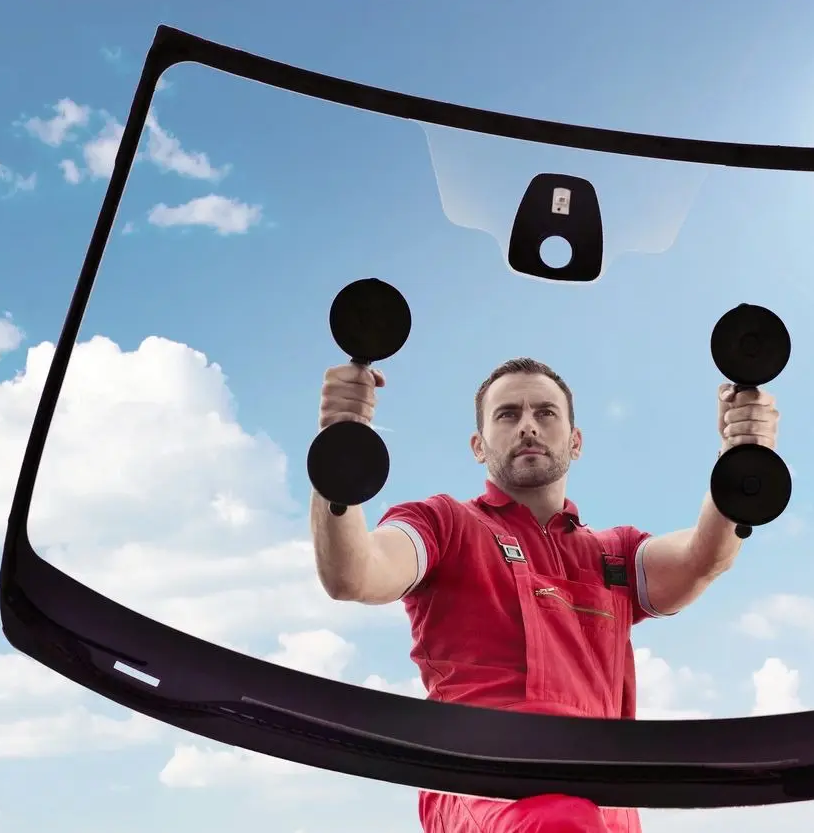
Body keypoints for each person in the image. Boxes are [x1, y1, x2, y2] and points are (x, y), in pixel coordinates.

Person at [310, 357, 780, 833]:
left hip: (609, 797)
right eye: (508, 414)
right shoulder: (443, 524)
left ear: (575, 442)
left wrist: (740, 457)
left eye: (546, 413)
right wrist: (339, 451)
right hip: (486, 782)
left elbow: (706, 557)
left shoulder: (614, 553)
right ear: (479, 445)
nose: (528, 427)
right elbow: (354, 573)